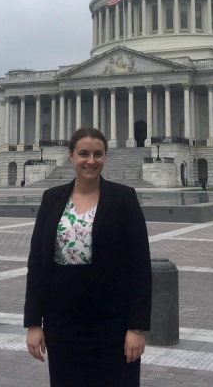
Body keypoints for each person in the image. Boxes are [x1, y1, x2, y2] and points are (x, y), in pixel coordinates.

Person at [24, 127, 152, 387]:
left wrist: (136, 327)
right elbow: (37, 264)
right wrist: (34, 323)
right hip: (63, 322)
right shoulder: (52, 198)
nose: (90, 161)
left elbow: (140, 266)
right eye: (83, 154)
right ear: (70, 155)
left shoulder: (124, 199)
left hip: (111, 324)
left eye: (97, 154)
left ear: (105, 157)